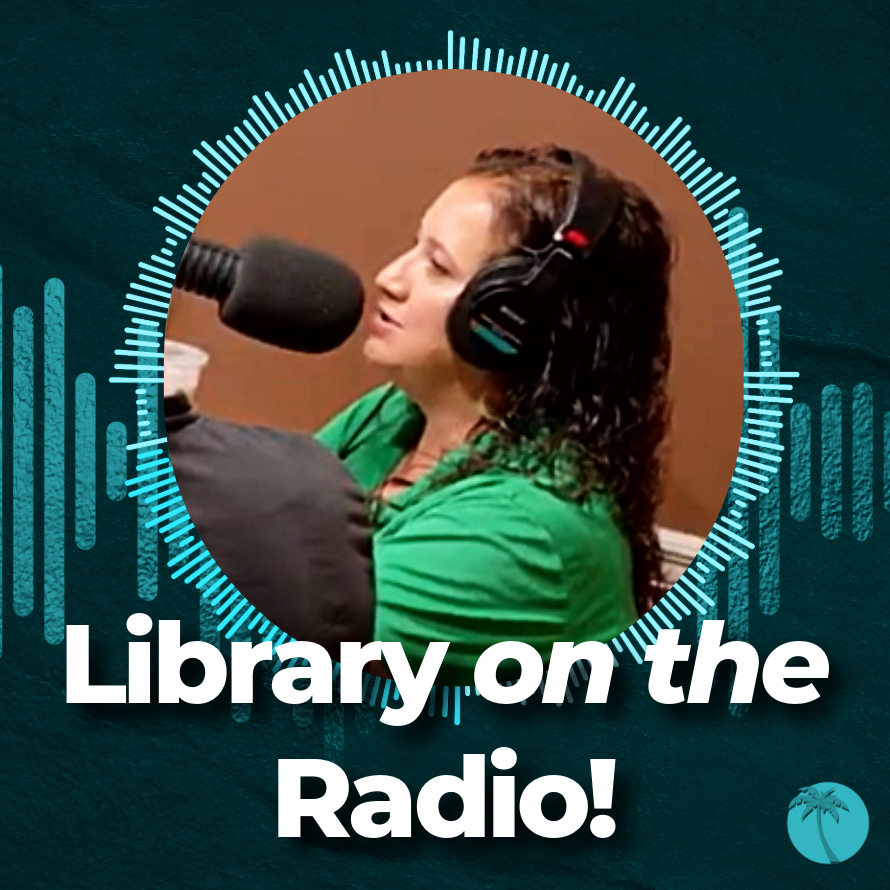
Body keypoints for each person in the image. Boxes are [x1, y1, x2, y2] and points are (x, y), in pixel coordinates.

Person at [316, 144, 673, 687]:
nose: (389, 277)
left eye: (438, 266)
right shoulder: (395, 414)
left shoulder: (523, 530)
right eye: (414, 245)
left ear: (510, 316)